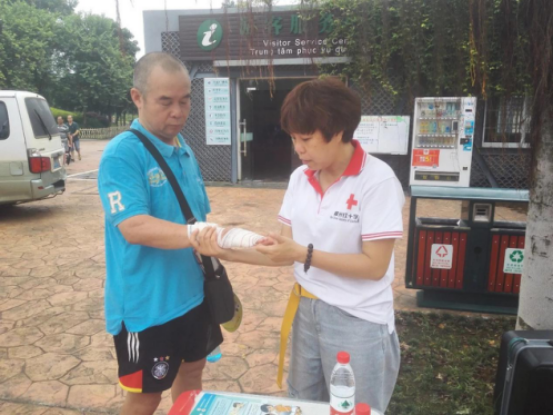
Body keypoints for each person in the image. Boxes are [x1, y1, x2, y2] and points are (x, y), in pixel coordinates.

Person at [191, 78, 404, 414]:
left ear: (338, 131)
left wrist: (303, 254)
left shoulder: (377, 181)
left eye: (306, 139)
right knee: (303, 404)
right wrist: (222, 251)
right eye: (293, 138)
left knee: (354, 408)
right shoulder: (300, 179)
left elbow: (375, 265)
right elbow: (281, 252)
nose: (298, 149)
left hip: (358, 319)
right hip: (307, 309)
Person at [97, 52, 222, 415]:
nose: (178, 112)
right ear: (137, 97)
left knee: (192, 373)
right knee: (146, 396)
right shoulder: (122, 155)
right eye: (165, 102)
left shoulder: (183, 149)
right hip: (147, 305)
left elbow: (197, 216)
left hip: (193, 294)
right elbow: (134, 226)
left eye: (185, 100)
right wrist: (200, 235)